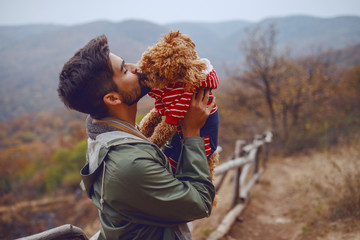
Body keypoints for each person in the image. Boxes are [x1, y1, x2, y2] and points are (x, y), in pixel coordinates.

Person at [57, 35, 216, 240]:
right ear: (112, 98)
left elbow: (156, 166)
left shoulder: (110, 133)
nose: (136, 67)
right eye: (124, 69)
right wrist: (192, 133)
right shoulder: (128, 163)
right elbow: (201, 203)